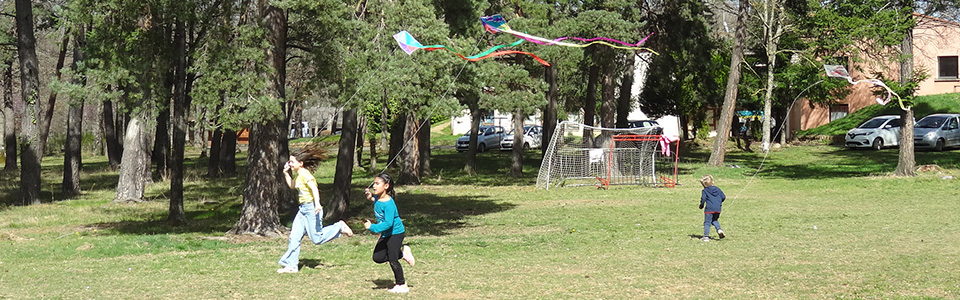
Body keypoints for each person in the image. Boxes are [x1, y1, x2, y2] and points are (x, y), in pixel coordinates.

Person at [277, 153, 354, 274]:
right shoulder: (299, 175)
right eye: (289, 162)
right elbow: (292, 186)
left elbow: (314, 188)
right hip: (303, 210)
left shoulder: (305, 174)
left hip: (311, 208)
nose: (290, 164)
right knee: (294, 237)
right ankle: (291, 265)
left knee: (317, 238)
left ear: (300, 163)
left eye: (292, 162)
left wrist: (317, 204)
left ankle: (339, 226)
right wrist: (285, 173)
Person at [363, 173, 415, 293]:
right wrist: (369, 197)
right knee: (378, 257)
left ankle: (402, 284)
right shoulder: (378, 198)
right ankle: (403, 254)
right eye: (374, 183)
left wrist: (372, 227)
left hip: (395, 233)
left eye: (377, 183)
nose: (374, 186)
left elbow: (388, 224)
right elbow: (374, 200)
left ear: (386, 186)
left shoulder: (389, 204)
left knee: (393, 259)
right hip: (386, 234)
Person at [699, 174, 726, 242]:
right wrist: (719, 202)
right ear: (712, 181)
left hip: (709, 209)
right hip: (718, 208)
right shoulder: (718, 189)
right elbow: (723, 197)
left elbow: (703, 199)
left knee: (707, 222)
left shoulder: (705, 191)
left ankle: (706, 237)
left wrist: (701, 205)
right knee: (715, 220)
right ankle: (719, 230)